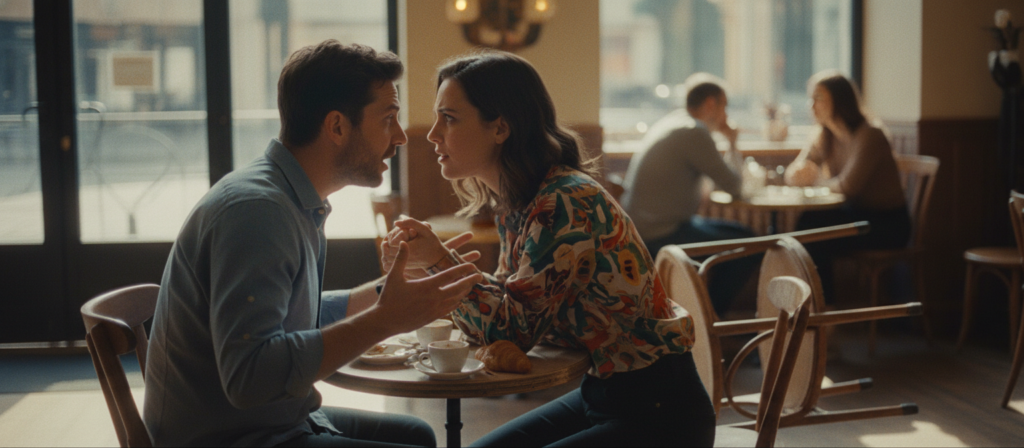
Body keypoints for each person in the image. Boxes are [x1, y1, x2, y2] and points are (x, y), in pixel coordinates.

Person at [143, 40, 483, 447]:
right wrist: (385, 320)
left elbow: (290, 316)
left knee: (417, 434)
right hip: (236, 438)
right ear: (337, 126)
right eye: (388, 118)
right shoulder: (258, 212)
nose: (400, 137)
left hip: (271, 423)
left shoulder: (286, 198)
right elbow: (249, 378)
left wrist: (386, 294)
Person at [381, 51, 716, 447]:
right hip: (603, 395)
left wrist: (440, 262)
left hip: (661, 413)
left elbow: (512, 330)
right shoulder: (519, 201)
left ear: (500, 128)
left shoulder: (563, 202)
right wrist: (436, 267)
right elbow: (508, 306)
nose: (433, 134)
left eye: (449, 118)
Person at [619, 73, 756, 315]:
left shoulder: (675, 123)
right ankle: (709, 319)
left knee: (744, 237)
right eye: (725, 106)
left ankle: (705, 315)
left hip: (644, 228)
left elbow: (718, 185)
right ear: (711, 104)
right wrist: (732, 141)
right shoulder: (694, 132)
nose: (726, 115)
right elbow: (734, 186)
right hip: (661, 232)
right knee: (749, 246)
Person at [784, 70, 910, 303]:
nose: (812, 105)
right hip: (857, 215)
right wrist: (798, 173)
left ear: (840, 101)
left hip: (887, 223)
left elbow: (849, 187)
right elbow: (793, 174)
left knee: (813, 232)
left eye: (819, 98)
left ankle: (823, 307)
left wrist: (813, 179)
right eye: (810, 98)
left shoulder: (870, 135)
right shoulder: (823, 135)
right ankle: (819, 306)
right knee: (808, 224)